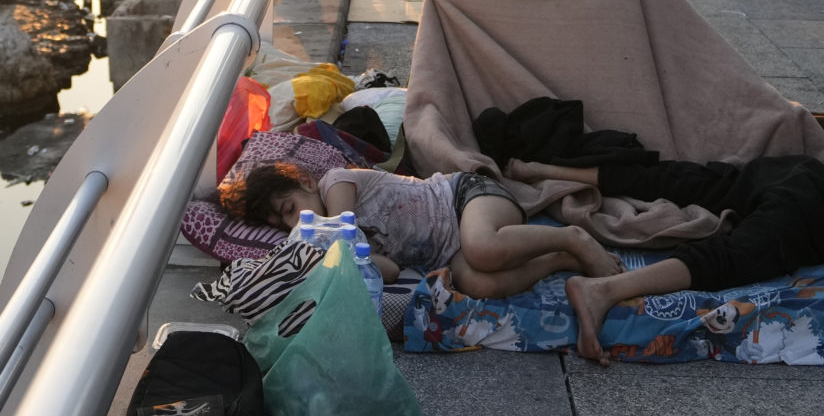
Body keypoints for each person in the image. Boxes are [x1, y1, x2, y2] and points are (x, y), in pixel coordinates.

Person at [507, 155, 824, 366]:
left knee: (684, 181)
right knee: (737, 259)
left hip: (794, 178)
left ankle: (539, 166)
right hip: (812, 210)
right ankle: (602, 290)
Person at [219, 161, 623, 300]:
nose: (296, 223)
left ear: (305, 183)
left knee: (482, 247)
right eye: (285, 223)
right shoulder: (339, 241)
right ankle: (559, 259)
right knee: (475, 283)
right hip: (449, 251)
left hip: (465, 196)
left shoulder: (335, 184)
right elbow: (389, 273)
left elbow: (342, 227)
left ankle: (573, 237)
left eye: (290, 210)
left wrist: (319, 246)